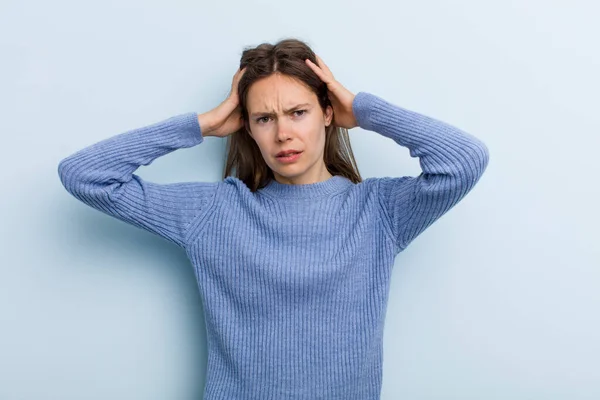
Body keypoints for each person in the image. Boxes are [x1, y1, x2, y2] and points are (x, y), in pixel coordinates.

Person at [58, 38, 489, 400]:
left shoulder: (379, 211)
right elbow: (86, 177)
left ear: (326, 113)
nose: (283, 133)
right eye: (265, 118)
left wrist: (362, 110)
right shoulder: (216, 212)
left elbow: (463, 160)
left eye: (298, 112)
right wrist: (202, 124)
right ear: (246, 127)